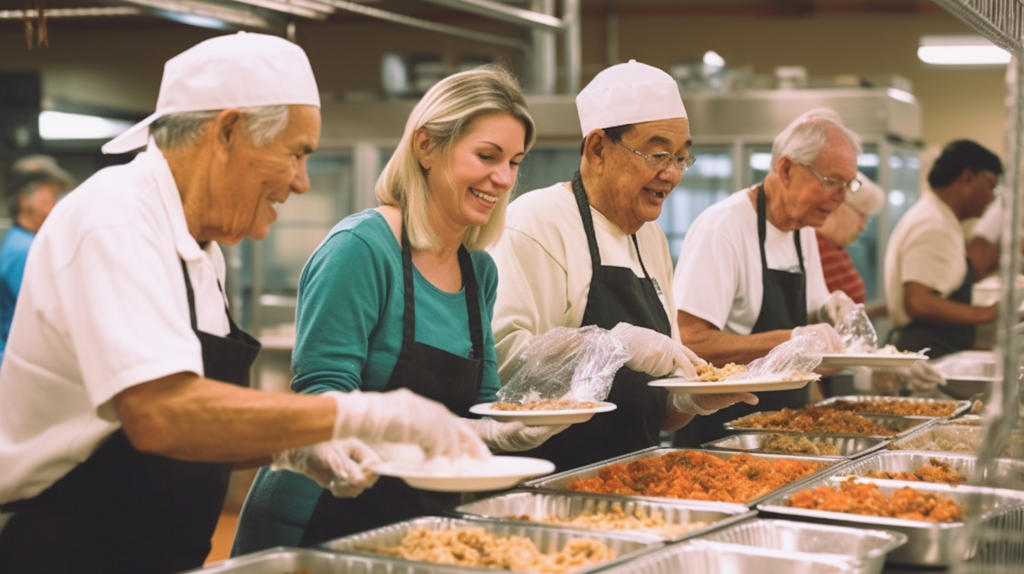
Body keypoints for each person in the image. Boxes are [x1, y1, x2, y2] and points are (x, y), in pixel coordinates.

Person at [0, 33, 489, 574]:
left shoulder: (203, 249)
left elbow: (194, 427)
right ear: (228, 131)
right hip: (66, 548)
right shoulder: (113, 220)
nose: (302, 182)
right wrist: (359, 412)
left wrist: (294, 447)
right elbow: (160, 416)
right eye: (296, 153)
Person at [232, 65, 565, 553]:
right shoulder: (361, 249)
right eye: (487, 156)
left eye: (515, 162)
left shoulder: (479, 273)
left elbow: (483, 405)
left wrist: (506, 428)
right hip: (320, 514)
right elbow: (322, 397)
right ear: (426, 146)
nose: (502, 178)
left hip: (413, 523)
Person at [489, 60, 757, 473]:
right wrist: (611, 344)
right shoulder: (538, 222)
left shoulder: (651, 239)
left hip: (637, 479)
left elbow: (658, 403)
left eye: (682, 158)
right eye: (657, 154)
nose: (671, 174)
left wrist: (687, 399)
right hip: (553, 481)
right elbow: (507, 368)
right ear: (597, 149)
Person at [672, 108, 864, 448]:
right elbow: (690, 341)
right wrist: (793, 338)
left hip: (783, 431)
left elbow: (811, 318)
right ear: (787, 169)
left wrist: (832, 313)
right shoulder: (723, 228)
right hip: (723, 437)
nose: (842, 196)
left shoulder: (802, 229)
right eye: (831, 181)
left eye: (849, 184)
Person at [884, 139, 1003, 360]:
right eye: (991, 185)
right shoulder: (934, 223)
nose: (992, 197)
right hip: (925, 355)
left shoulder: (941, 219)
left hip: (931, 353)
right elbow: (917, 302)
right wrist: (988, 313)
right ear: (968, 177)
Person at [0, 156, 75, 356]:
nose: (57, 203)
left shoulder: (23, 241)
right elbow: (50, 315)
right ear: (25, 200)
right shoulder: (24, 250)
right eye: (51, 195)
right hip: (18, 367)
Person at [815, 171, 885, 307]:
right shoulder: (816, 248)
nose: (863, 227)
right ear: (840, 206)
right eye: (862, 215)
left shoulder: (834, 249)